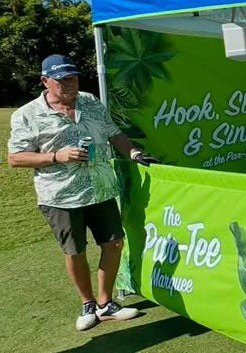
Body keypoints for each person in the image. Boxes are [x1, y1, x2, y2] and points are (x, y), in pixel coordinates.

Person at [8, 54, 158, 331]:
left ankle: (106, 303)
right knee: (76, 251)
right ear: (45, 81)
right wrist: (57, 156)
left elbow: (113, 132)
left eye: (73, 78)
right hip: (61, 196)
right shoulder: (27, 114)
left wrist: (134, 152)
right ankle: (87, 303)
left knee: (114, 243)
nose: (69, 84)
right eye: (62, 80)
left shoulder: (90, 101)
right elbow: (16, 158)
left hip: (101, 188)